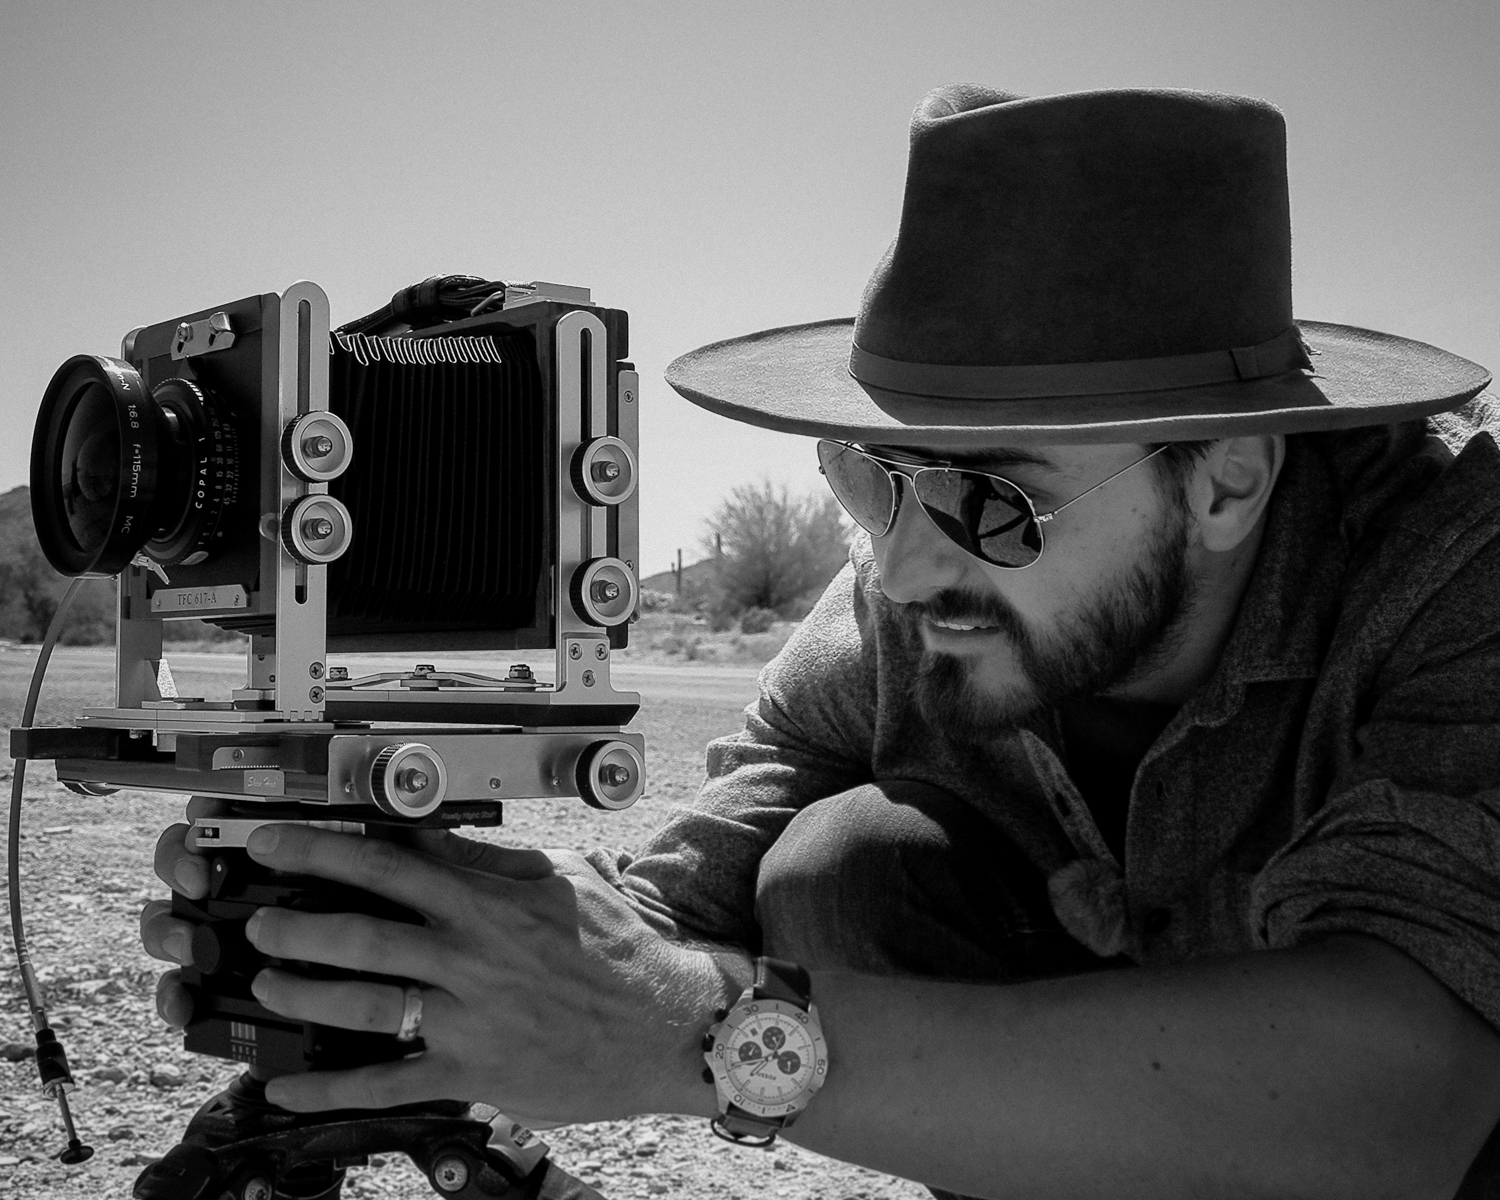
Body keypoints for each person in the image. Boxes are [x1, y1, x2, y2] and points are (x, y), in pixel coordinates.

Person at [143, 86, 1500, 1198]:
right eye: (873, 479)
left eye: (994, 498)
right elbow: (701, 884)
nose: (906, 563)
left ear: (1225, 481)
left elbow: (1416, 1095)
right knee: (845, 864)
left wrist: (708, 1034)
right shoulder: (913, 593)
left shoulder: (1454, 574)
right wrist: (444, 932)